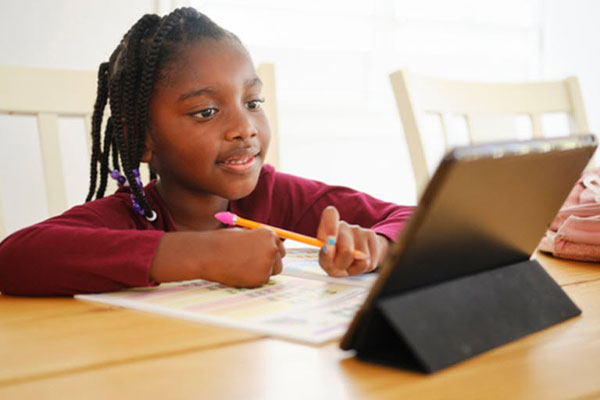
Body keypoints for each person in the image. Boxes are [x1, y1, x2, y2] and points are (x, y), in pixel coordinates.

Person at [0, 8, 413, 296]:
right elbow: (15, 258)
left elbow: (413, 218)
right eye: (206, 111)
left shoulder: (276, 195)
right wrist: (201, 255)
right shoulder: (128, 217)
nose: (244, 128)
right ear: (141, 139)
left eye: (253, 102)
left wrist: (378, 243)